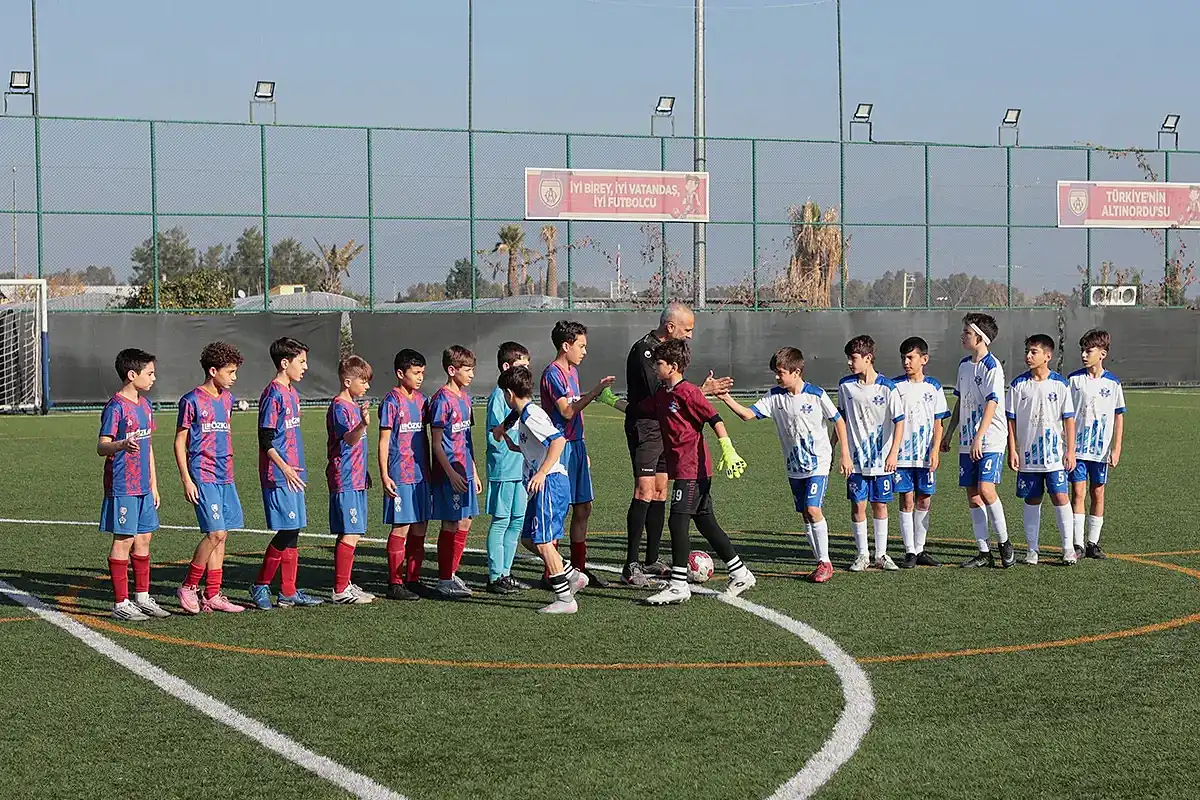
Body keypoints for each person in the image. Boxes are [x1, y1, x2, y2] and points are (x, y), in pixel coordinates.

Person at [600, 338, 755, 605]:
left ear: (672, 367)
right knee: (705, 522)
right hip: (683, 469)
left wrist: (728, 449)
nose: (654, 368)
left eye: (658, 364)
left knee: (678, 521)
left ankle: (679, 585)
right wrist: (610, 400)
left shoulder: (689, 393)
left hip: (692, 469)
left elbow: (714, 418)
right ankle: (740, 573)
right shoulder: (663, 394)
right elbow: (638, 410)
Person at [715, 347, 850, 583]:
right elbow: (747, 415)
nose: (777, 377)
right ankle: (819, 561)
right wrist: (726, 398)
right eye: (776, 373)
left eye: (781, 373)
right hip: (794, 466)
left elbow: (838, 421)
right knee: (805, 514)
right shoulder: (774, 396)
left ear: (796, 372)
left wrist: (844, 454)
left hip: (818, 463)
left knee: (813, 509)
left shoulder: (816, 395)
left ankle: (825, 562)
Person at [622, 302, 732, 588]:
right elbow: (662, 394)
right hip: (646, 427)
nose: (690, 335)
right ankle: (630, 565)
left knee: (660, 490)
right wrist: (701, 390)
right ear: (670, 327)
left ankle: (651, 559)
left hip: (665, 427)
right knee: (644, 490)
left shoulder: (669, 351)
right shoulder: (645, 352)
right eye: (687, 329)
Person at [494, 365, 588, 614]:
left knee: (544, 541)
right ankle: (572, 575)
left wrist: (542, 472)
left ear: (508, 393)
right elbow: (532, 445)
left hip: (550, 483)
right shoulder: (525, 412)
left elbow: (558, 441)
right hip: (543, 485)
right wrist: (510, 440)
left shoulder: (531, 415)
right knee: (529, 539)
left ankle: (565, 599)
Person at [540, 320, 616, 588]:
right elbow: (567, 411)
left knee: (584, 507)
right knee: (558, 512)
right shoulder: (553, 374)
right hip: (559, 449)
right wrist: (595, 392)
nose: (585, 351)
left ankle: (579, 571)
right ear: (566, 345)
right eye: (581, 346)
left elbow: (576, 414)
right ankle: (553, 573)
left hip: (576, 447)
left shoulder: (572, 372)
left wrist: (583, 446)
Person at [250, 337, 323, 609]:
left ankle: (288, 591)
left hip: (294, 473)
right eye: (301, 361)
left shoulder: (292, 392)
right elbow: (265, 440)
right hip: (280, 475)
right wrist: (285, 468)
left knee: (294, 531)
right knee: (287, 530)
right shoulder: (273, 394)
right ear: (284, 363)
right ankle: (260, 584)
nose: (306, 367)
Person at [174, 342, 246, 615]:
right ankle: (188, 586)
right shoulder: (191, 400)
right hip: (203, 475)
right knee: (215, 532)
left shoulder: (227, 399)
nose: (234, 377)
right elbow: (179, 442)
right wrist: (186, 479)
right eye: (230, 372)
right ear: (213, 371)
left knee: (223, 536)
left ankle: (213, 594)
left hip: (225, 475)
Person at [97, 348, 168, 621]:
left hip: (143, 486)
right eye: (149, 373)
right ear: (131, 374)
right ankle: (120, 603)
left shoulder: (146, 406)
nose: (153, 378)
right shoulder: (115, 407)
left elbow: (149, 448)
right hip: (123, 484)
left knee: (144, 538)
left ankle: (142, 597)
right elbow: (102, 446)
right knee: (124, 539)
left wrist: (154, 484)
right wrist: (122, 444)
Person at [941, 313, 1013, 569]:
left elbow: (992, 403)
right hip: (967, 439)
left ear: (981, 338)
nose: (962, 336)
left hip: (990, 438)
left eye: (967, 333)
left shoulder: (992, 367)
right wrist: (950, 432)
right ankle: (984, 551)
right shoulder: (964, 365)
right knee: (973, 495)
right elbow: (961, 401)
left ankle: (1004, 542)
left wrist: (979, 437)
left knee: (986, 489)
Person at [1007, 334, 1077, 566]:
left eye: (1033, 352)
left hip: (1055, 456)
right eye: (1027, 351)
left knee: (1060, 496)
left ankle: (1068, 548)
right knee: (1032, 498)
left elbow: (1069, 420)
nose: (1028, 356)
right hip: (1028, 456)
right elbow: (1011, 420)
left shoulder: (1060, 384)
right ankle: (1032, 550)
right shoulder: (1018, 385)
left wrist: (1070, 451)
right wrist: (1012, 449)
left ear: (1048, 356)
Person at [838, 335, 906, 572]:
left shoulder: (887, 387)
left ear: (868, 358)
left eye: (853, 358)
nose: (849, 363)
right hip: (855, 462)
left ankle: (881, 554)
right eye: (848, 358)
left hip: (882, 460)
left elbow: (899, 421)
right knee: (858, 506)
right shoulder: (845, 386)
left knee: (880, 505)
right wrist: (838, 450)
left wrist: (893, 453)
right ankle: (862, 555)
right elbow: (840, 420)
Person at [428, 345, 482, 599]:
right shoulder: (441, 400)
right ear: (452, 370)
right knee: (450, 522)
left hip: (465, 471)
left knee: (466, 520)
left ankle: (451, 573)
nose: (472, 374)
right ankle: (444, 579)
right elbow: (436, 443)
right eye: (467, 369)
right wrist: (450, 473)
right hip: (450, 474)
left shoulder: (465, 398)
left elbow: (466, 439)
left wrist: (474, 471)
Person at [892, 337, 950, 568]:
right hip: (901, 456)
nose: (906, 362)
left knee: (924, 500)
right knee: (906, 499)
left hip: (925, 455)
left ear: (924, 359)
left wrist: (935, 450)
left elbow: (938, 423)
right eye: (903, 358)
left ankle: (920, 548)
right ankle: (909, 551)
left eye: (910, 357)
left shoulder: (933, 387)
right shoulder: (895, 386)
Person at [1068, 329, 1126, 560]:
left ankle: (1093, 543)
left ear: (1102, 353)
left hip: (1100, 451)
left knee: (1098, 492)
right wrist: (1067, 447)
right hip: (1077, 449)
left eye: (1089, 350)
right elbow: (1066, 415)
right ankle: (1077, 544)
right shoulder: (1074, 380)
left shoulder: (1113, 383)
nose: (1084, 355)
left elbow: (1119, 416)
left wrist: (1116, 448)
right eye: (1082, 350)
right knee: (1078, 492)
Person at [378, 348, 431, 600]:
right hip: (400, 474)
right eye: (416, 372)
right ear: (401, 373)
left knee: (420, 526)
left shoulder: (422, 401)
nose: (420, 377)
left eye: (422, 373)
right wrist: (385, 474)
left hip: (422, 474)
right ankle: (394, 583)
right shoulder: (391, 402)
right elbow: (384, 441)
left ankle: (413, 578)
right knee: (402, 527)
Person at [484, 342, 532, 594]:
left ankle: (506, 572)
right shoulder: (499, 396)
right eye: (522, 364)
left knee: (517, 520)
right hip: (503, 468)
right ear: (506, 367)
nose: (527, 369)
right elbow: (495, 433)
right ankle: (495, 576)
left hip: (520, 469)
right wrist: (508, 434)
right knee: (501, 521)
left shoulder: (521, 397)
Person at [327, 355, 375, 603]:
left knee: (352, 531)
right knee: (351, 532)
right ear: (347, 382)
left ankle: (344, 583)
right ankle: (340, 590)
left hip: (356, 477)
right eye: (363, 381)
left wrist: (364, 471)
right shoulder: (340, 407)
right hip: (345, 478)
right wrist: (363, 425)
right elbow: (349, 439)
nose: (367, 386)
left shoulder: (353, 406)